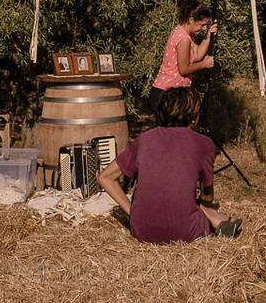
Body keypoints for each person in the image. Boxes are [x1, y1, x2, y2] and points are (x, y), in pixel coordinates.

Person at [97, 86, 241, 243]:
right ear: (194, 118)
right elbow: (208, 196)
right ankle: (218, 219)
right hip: (186, 232)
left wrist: (132, 212)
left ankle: (219, 219)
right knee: (194, 203)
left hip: (142, 230)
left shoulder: (144, 139)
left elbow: (105, 177)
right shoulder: (203, 144)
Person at [149, 0, 216, 114]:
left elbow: (198, 55)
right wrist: (204, 65)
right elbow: (184, 69)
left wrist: (208, 35)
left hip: (172, 94)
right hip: (166, 94)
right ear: (191, 20)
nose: (204, 28)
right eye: (202, 25)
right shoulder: (184, 39)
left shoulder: (185, 33)